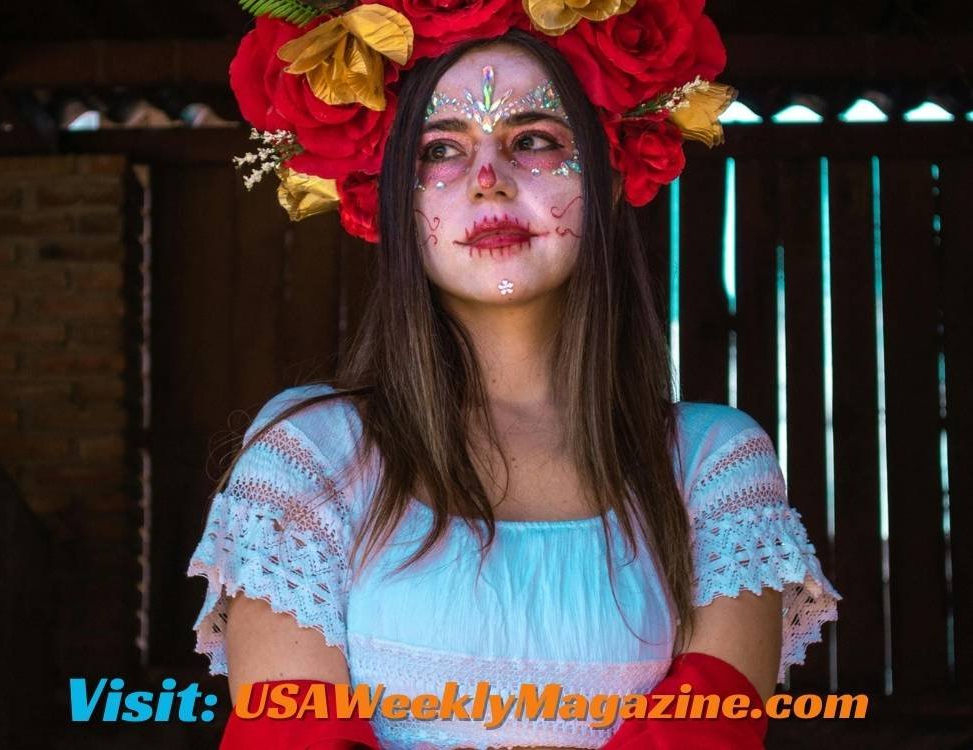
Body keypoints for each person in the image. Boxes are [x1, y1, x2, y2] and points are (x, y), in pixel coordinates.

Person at [188, 3, 842, 749]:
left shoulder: (712, 465)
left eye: (532, 140)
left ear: (599, 178)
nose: (488, 180)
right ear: (396, 200)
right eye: (441, 149)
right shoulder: (309, 455)